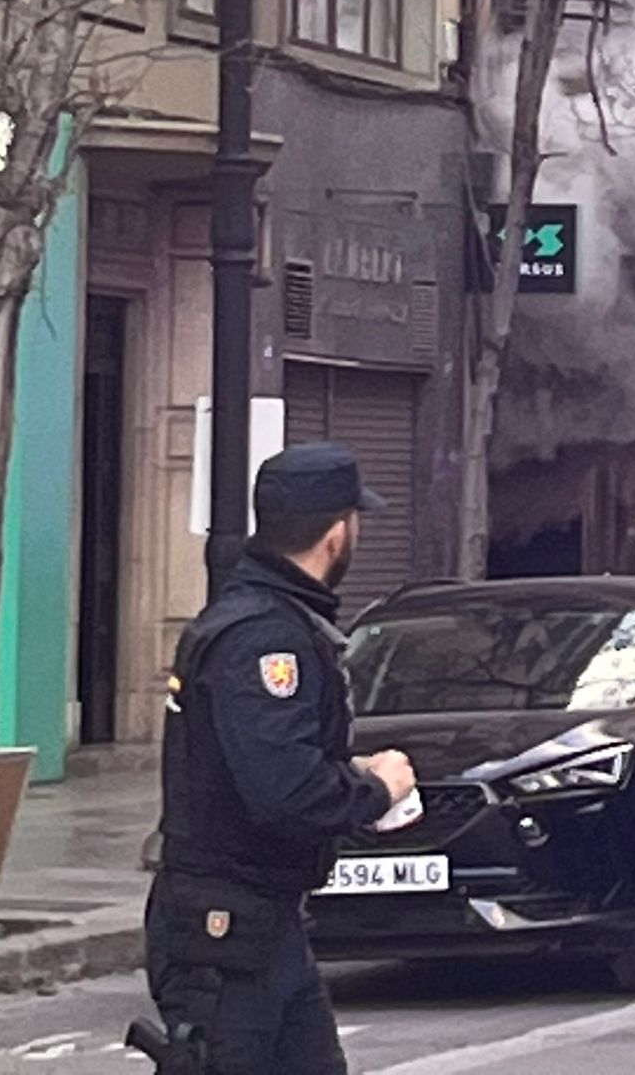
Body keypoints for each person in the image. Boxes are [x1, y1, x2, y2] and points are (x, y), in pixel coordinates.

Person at [144, 443, 415, 1075]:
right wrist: (377, 789)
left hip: (265, 925)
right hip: (226, 934)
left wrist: (346, 774)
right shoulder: (266, 639)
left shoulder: (269, 620)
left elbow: (262, 763)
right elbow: (284, 791)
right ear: (336, 533)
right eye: (356, 519)